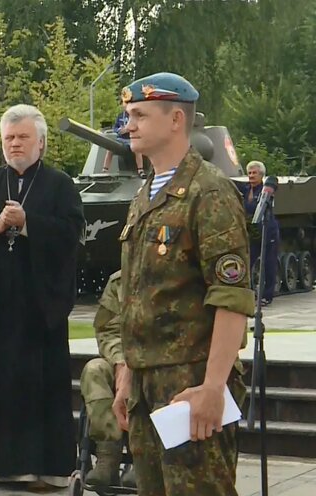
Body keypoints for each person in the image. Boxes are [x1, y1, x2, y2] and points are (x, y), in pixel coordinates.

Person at [112, 72, 254, 496]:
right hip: (144, 386)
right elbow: (134, 294)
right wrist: (125, 374)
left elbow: (231, 298)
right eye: (127, 115)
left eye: (138, 115)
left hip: (190, 386)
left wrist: (213, 386)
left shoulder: (208, 192)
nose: (128, 125)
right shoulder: (145, 196)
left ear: (176, 120)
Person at [0, 104, 84, 492]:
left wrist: (28, 225)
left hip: (37, 310)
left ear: (40, 142)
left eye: (22, 137)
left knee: (37, 391)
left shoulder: (60, 186)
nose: (15, 144)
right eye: (9, 138)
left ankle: (42, 470)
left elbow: (72, 234)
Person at [79, 270, 136, 488]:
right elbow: (106, 330)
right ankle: (107, 456)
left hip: (156, 363)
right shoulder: (120, 281)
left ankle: (142, 454)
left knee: (151, 377)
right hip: (120, 359)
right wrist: (121, 363)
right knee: (94, 370)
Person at [237, 160, 279, 305]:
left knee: (269, 264)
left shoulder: (265, 189)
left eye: (255, 173)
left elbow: (273, 182)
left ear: (261, 175)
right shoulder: (245, 188)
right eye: (249, 173)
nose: (251, 175)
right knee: (246, 263)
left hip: (268, 231)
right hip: (253, 232)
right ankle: (247, 293)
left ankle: (267, 296)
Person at [103, 111, 145, 177]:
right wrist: (119, 130)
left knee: (137, 149)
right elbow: (115, 128)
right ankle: (105, 169)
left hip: (131, 138)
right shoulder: (120, 115)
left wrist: (128, 129)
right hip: (121, 138)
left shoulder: (133, 115)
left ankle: (140, 169)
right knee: (110, 148)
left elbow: (138, 126)